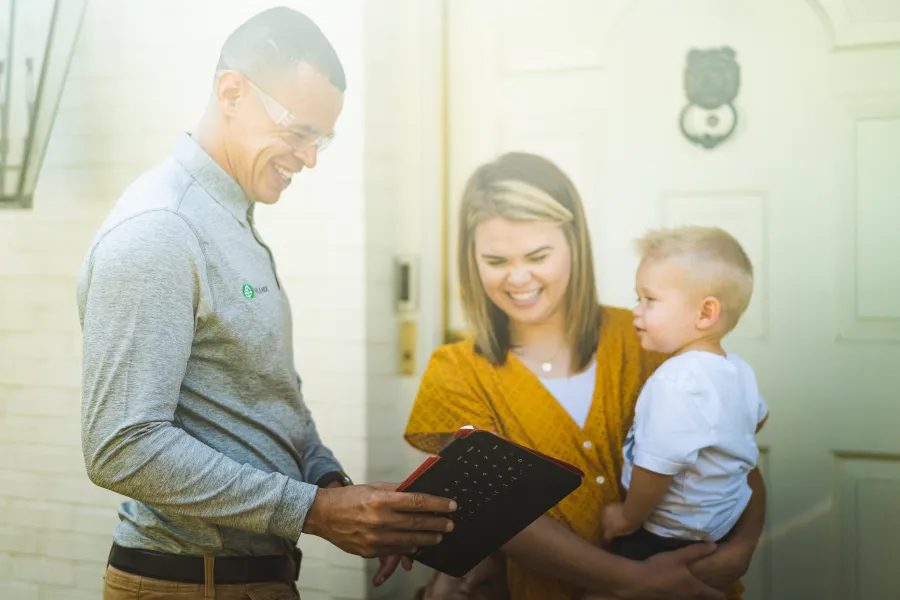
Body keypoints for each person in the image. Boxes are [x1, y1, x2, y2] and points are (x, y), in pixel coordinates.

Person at [77, 8, 454, 599]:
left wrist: (337, 489)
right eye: (299, 130)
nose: (310, 158)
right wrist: (316, 512)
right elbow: (120, 448)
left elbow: (271, 407)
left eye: (321, 138)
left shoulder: (232, 222)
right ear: (231, 92)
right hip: (187, 585)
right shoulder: (160, 230)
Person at [384, 152, 765, 600]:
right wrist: (633, 581)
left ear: (574, 245)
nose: (518, 277)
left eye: (538, 255)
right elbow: (494, 510)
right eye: (495, 260)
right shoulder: (457, 371)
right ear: (472, 260)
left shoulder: (649, 339)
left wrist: (739, 550)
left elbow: (733, 457)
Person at [599, 226, 769, 564]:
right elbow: (759, 419)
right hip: (722, 521)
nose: (636, 310)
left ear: (705, 313)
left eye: (650, 300)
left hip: (666, 533)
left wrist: (627, 517)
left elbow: (656, 469)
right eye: (637, 298)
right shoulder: (736, 369)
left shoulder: (675, 381)